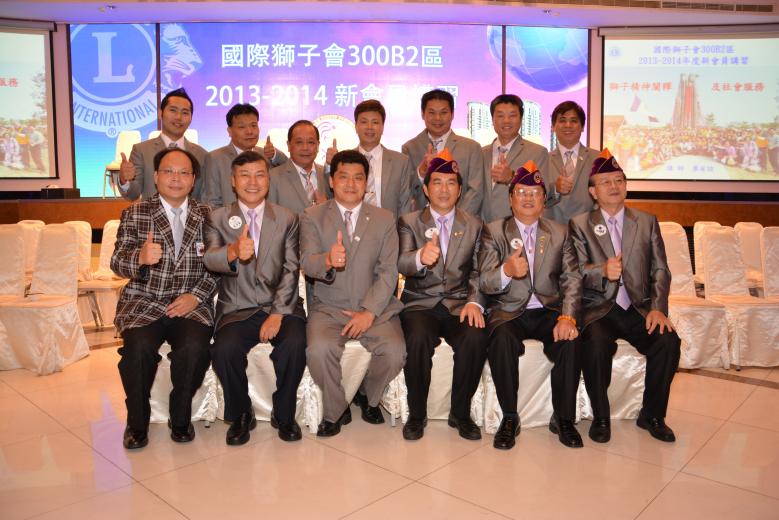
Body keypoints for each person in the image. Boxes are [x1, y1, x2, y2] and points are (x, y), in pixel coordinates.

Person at [569, 149, 680, 444]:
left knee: (668, 342)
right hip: (599, 308)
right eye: (605, 182)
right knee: (595, 345)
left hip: (638, 308)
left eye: (619, 180)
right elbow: (574, 273)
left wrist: (658, 308)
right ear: (593, 192)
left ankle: (652, 415)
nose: (614, 186)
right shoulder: (580, 224)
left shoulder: (645, 221)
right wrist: (602, 271)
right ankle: (601, 417)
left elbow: (660, 270)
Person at [111, 147, 216, 450]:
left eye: (184, 172)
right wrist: (140, 258)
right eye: (169, 171)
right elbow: (117, 262)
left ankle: (180, 417)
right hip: (144, 301)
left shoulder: (208, 215)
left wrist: (196, 296)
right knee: (138, 349)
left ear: (193, 180)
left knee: (195, 348)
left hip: (190, 303)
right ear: (156, 176)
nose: (176, 178)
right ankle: (137, 423)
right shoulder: (136, 213)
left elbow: (218, 266)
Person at [203, 151, 306, 445]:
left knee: (295, 343)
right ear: (233, 181)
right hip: (237, 307)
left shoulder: (286, 217)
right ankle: (240, 414)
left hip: (281, 305)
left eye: (260, 175)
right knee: (224, 349)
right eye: (245, 175)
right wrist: (233, 251)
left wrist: (277, 313)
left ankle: (284, 414)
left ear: (268, 180)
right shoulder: (217, 217)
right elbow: (209, 259)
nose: (253, 182)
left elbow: (291, 269)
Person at [300, 150, 405, 437]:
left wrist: (369, 312)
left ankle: (367, 395)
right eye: (343, 177)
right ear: (331, 181)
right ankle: (336, 409)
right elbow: (307, 262)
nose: (350, 184)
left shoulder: (384, 218)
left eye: (358, 177)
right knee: (319, 350)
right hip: (329, 307)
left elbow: (388, 271)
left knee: (395, 352)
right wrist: (327, 260)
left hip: (375, 308)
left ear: (366, 182)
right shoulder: (312, 216)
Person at [479, 160, 583, 450]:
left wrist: (568, 317)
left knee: (572, 340)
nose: (528, 198)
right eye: (521, 192)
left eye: (535, 193)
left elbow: (572, 278)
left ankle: (563, 418)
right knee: (501, 339)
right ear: (510, 199)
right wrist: (506, 271)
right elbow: (484, 281)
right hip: (509, 310)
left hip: (549, 310)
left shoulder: (560, 232)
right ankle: (509, 417)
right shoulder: (494, 231)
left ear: (544, 200)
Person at [397, 150, 487, 441]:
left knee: (475, 337)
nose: (444, 189)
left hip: (459, 302)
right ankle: (417, 414)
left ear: (460, 190)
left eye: (451, 183)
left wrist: (474, 301)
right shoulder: (410, 221)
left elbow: (479, 270)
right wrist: (420, 257)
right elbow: (402, 262)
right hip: (420, 302)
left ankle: (460, 413)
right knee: (417, 339)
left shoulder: (474, 224)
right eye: (437, 182)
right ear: (425, 189)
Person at [325, 100, 418, 219]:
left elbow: (404, 204)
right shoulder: (343, 161)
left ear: (382, 127)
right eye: (364, 122)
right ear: (356, 126)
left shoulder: (400, 162)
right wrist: (330, 165)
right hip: (350, 225)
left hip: (388, 227)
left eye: (375, 122)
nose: (369, 127)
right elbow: (330, 196)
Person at [402, 89, 483, 216]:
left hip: (462, 221)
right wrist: (421, 172)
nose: (437, 118)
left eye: (443, 112)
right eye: (432, 113)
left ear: (452, 114)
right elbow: (405, 192)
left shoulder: (471, 148)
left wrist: (456, 220)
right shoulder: (410, 148)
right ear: (423, 114)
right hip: (422, 222)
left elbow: (476, 191)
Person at [118, 88, 208, 201]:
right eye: (173, 110)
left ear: (191, 118)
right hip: (151, 212)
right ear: (160, 113)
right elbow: (132, 195)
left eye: (185, 113)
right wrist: (124, 180)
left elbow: (205, 196)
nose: (178, 117)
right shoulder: (141, 151)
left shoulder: (202, 155)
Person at [202, 103, 287, 208]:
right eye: (242, 127)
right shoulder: (215, 158)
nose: (249, 131)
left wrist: (274, 155)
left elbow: (289, 171)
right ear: (229, 131)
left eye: (253, 125)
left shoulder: (266, 155)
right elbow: (211, 201)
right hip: (230, 217)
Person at [481, 94, 548, 224]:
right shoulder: (480, 153)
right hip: (483, 227)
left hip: (517, 227)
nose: (506, 121)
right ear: (492, 119)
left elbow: (544, 193)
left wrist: (511, 178)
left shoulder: (537, 152)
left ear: (521, 119)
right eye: (500, 115)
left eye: (512, 115)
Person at [544, 101, 599, 224]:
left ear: (582, 127)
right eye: (562, 120)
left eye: (574, 121)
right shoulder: (542, 159)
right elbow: (536, 199)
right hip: (552, 229)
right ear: (553, 127)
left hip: (588, 229)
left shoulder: (598, 158)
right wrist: (555, 189)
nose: (568, 125)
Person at [268, 120, 331, 213]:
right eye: (299, 142)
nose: (305, 148)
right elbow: (270, 216)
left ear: (318, 145)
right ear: (289, 145)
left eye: (311, 142)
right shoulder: (273, 177)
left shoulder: (327, 175)